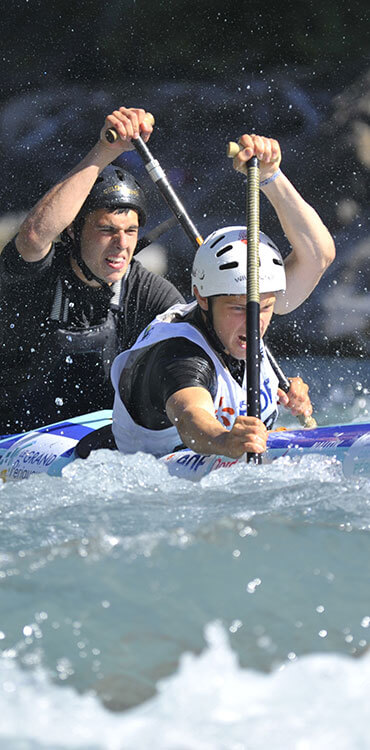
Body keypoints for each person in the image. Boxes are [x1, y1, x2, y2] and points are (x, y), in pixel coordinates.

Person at [0, 107, 184, 434]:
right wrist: (107, 149)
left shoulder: (147, 292)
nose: (121, 244)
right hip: (14, 440)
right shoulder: (37, 277)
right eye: (106, 230)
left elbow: (200, 345)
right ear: (73, 231)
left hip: (98, 451)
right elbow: (32, 236)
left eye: (130, 232)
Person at [111, 226, 313, 459]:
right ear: (202, 298)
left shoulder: (235, 331)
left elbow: (320, 255)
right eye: (238, 308)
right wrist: (225, 440)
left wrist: (283, 389)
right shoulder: (178, 356)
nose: (254, 324)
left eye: (266, 307)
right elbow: (191, 415)